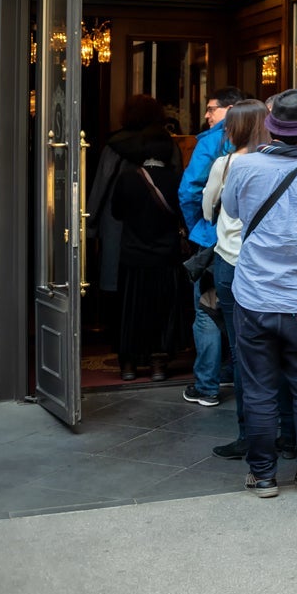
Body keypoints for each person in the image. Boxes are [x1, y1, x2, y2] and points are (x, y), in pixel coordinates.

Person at [221, 89, 297, 498]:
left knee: (258, 388)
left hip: (254, 295)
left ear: (271, 128)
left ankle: (264, 475)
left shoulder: (244, 166)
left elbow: (235, 213)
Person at [203, 100, 278, 461]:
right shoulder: (284, 162)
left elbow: (207, 207)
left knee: (242, 350)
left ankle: (249, 434)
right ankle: (286, 431)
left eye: (228, 125)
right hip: (272, 267)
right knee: (279, 349)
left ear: (237, 128)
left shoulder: (227, 163)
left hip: (232, 263)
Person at [108, 95, 187, 382]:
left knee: (131, 310)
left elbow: (117, 213)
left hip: (132, 254)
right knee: (161, 310)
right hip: (165, 256)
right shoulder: (176, 181)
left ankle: (128, 365)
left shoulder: (128, 178)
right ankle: (158, 365)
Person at [177, 87, 244, 406]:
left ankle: (207, 386)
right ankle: (232, 371)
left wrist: (199, 230)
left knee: (207, 310)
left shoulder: (211, 142)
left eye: (211, 109)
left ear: (230, 109)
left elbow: (189, 191)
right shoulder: (266, 144)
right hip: (250, 245)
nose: (206, 115)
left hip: (215, 242)